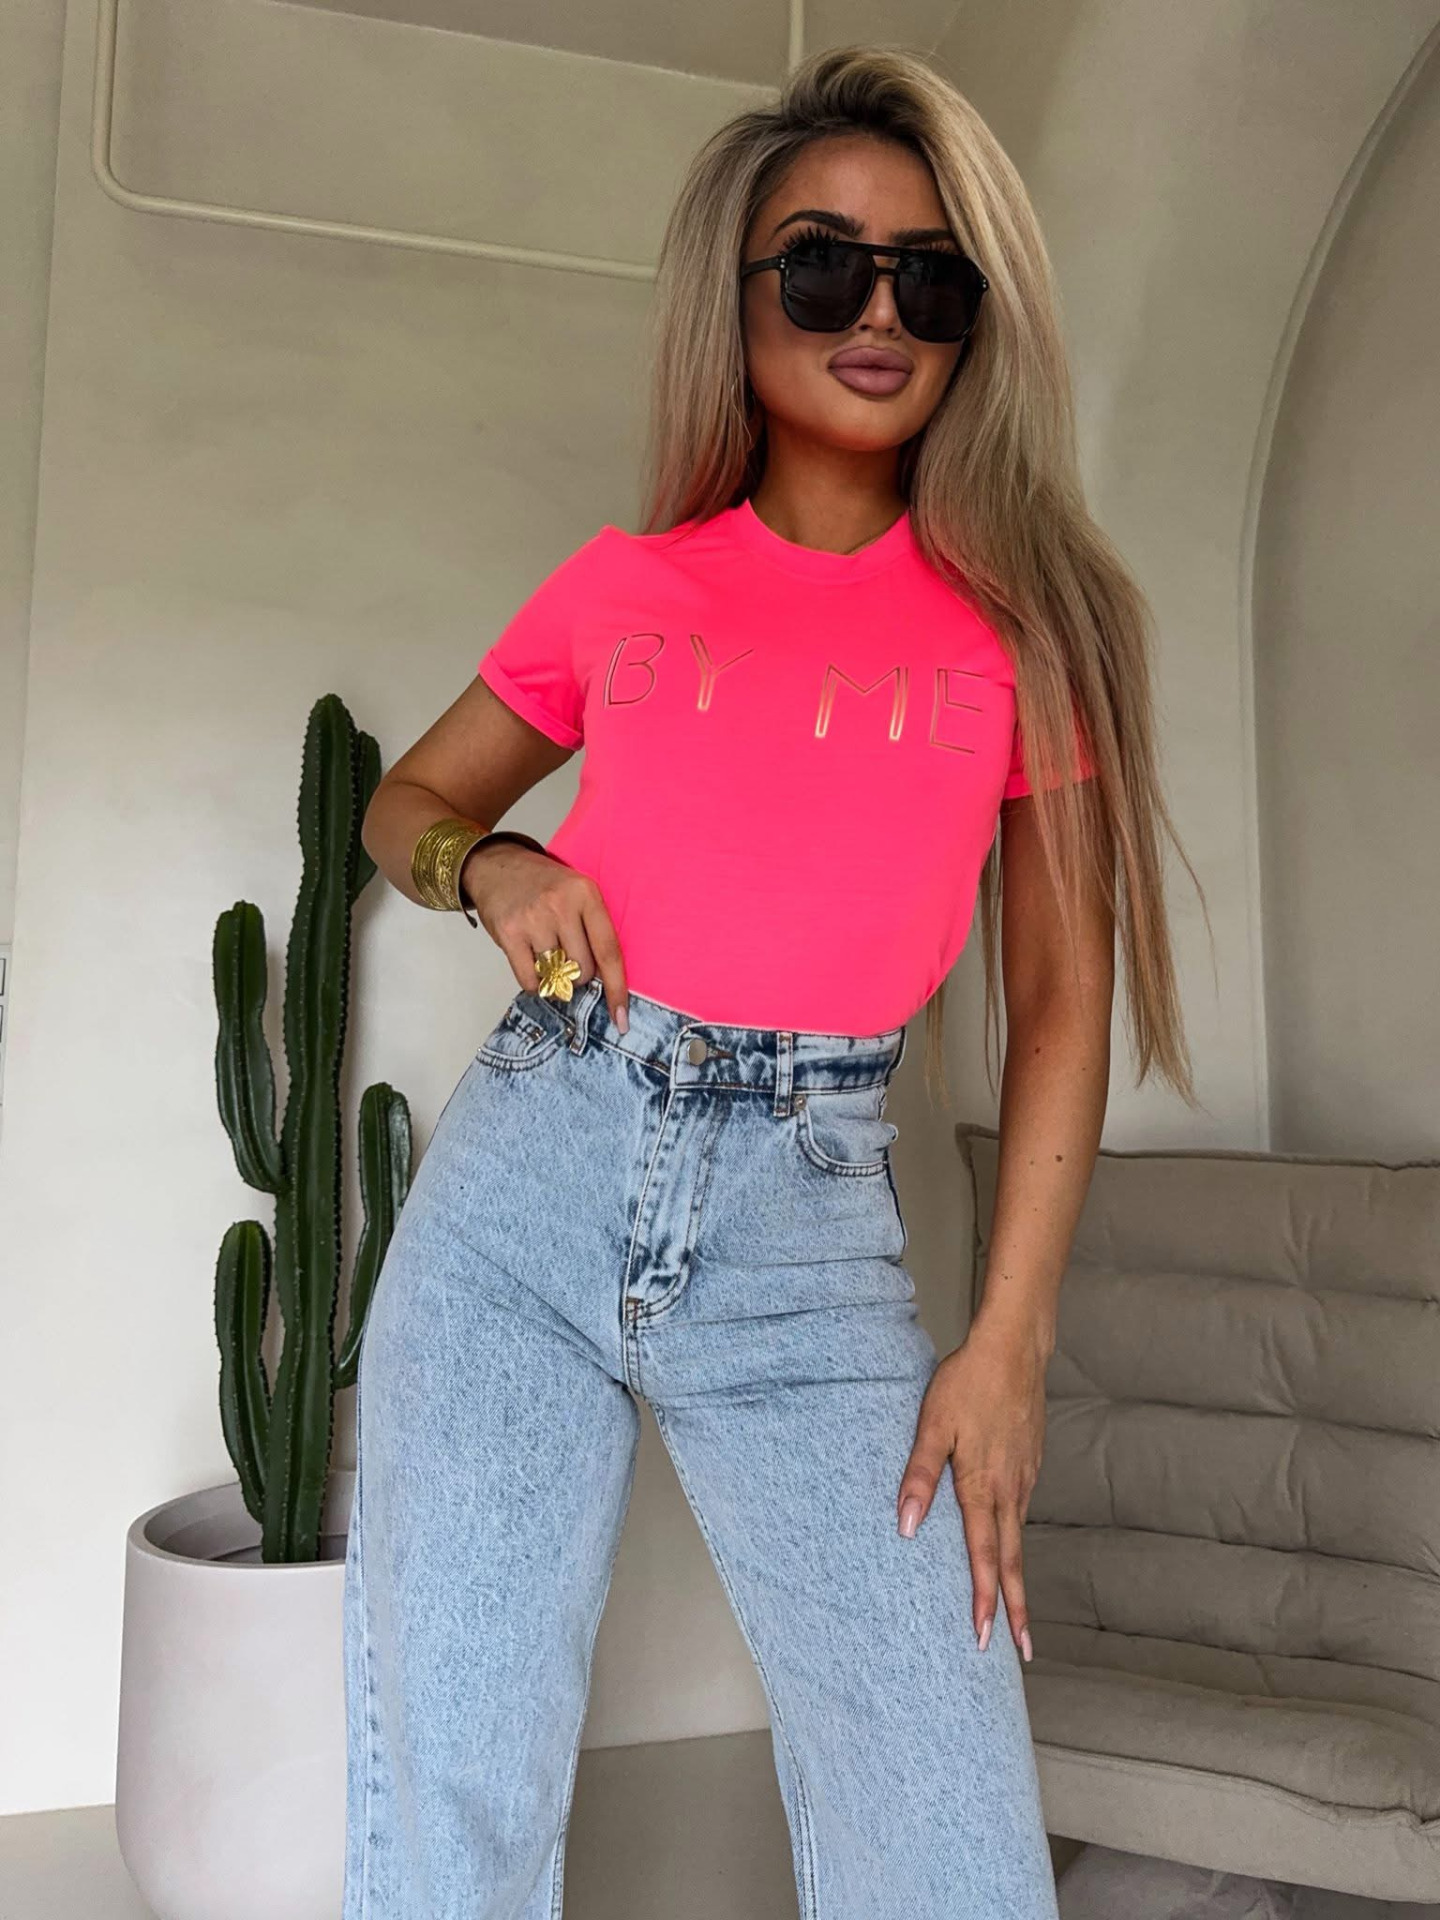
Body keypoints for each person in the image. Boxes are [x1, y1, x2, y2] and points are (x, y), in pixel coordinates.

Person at [342, 42, 1200, 1920]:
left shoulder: (1030, 634)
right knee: (455, 1786)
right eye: (823, 266)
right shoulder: (626, 586)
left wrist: (1009, 1346)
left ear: (975, 323)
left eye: (928, 279)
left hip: (810, 1228)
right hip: (532, 1176)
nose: (877, 313)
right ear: (735, 304)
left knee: (948, 1839)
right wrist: (494, 866)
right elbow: (404, 801)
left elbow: (1065, 1005)